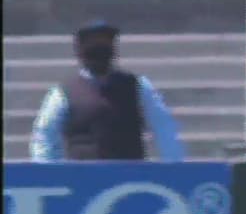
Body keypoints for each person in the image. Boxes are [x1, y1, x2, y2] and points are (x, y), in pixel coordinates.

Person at [30, 20, 185, 163]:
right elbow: (45, 136)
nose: (99, 49)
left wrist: (173, 168)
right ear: (79, 49)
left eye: (105, 42)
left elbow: (164, 128)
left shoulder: (138, 86)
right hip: (82, 178)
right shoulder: (63, 93)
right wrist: (49, 173)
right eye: (92, 43)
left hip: (130, 177)